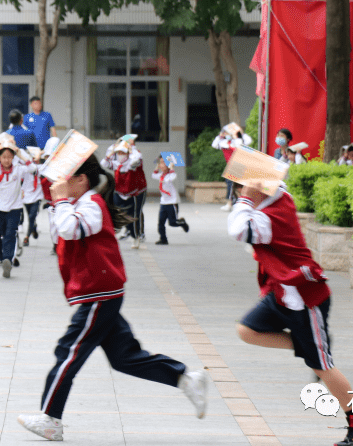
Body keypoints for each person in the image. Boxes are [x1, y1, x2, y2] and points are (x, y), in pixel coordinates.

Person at [17, 154, 209, 442]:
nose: (57, 183)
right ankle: (185, 378)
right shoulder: (81, 202)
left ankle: (50, 419)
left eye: (65, 176)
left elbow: (69, 229)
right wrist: (59, 200)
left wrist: (61, 202)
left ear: (82, 180)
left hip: (99, 294)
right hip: (101, 292)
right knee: (124, 357)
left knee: (68, 352)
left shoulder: (91, 205)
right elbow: (60, 232)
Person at [228, 180, 353, 446]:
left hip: (304, 297)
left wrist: (245, 199)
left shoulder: (269, 217)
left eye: (241, 186)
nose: (238, 191)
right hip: (282, 293)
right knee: (247, 330)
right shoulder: (276, 198)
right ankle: (312, 344)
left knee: (322, 367)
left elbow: (238, 230)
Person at [0, 137, 36, 277]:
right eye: (3, 157)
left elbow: (32, 168)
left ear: (13, 158)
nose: (7, 160)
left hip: (14, 208)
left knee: (10, 234)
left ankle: (7, 259)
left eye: (9, 157)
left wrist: (20, 154)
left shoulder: (18, 169)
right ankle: (3, 255)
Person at [100, 141, 142, 249]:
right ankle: (111, 236)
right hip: (118, 193)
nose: (120, 155)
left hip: (131, 194)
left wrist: (131, 150)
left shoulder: (132, 163)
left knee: (131, 218)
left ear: (128, 154)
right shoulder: (115, 164)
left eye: (123, 153)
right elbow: (103, 164)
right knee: (115, 215)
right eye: (118, 153)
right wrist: (111, 153)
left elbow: (136, 159)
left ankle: (135, 236)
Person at [212, 125, 252, 211]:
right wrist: (220, 136)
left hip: (240, 165)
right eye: (224, 132)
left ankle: (238, 202)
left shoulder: (239, 141)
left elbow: (247, 141)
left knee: (240, 185)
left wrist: (239, 133)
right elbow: (214, 145)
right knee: (230, 184)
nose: (225, 134)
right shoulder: (223, 142)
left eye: (227, 132)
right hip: (230, 166)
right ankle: (231, 203)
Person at [152, 154, 189, 245]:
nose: (161, 165)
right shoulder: (161, 175)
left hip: (172, 202)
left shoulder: (171, 175)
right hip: (163, 202)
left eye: (163, 163)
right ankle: (163, 239)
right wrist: (157, 166)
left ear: (168, 165)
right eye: (160, 163)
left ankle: (182, 222)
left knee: (172, 223)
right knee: (160, 223)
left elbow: (172, 177)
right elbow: (153, 175)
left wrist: (171, 167)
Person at [21, 147, 44, 246]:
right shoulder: (25, 167)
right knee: (30, 216)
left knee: (31, 216)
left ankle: (27, 237)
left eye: (36, 156)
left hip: (37, 196)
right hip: (26, 195)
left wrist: (42, 153)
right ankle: (33, 227)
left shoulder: (42, 167)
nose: (34, 158)